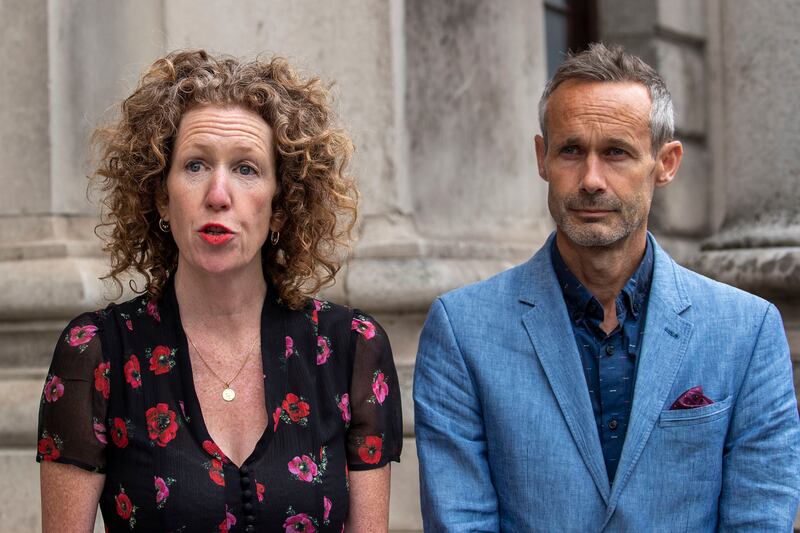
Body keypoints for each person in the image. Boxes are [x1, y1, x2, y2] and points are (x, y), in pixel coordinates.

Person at [414, 42, 800, 531]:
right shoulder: (462, 330)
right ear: (541, 157)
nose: (591, 179)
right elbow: (460, 522)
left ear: (666, 163)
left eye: (616, 152)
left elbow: (759, 518)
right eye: (571, 150)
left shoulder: (748, 331)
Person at [37, 50, 402, 532]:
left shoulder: (350, 348)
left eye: (247, 169)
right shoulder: (98, 351)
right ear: (162, 198)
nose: (218, 194)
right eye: (195, 165)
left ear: (280, 206)